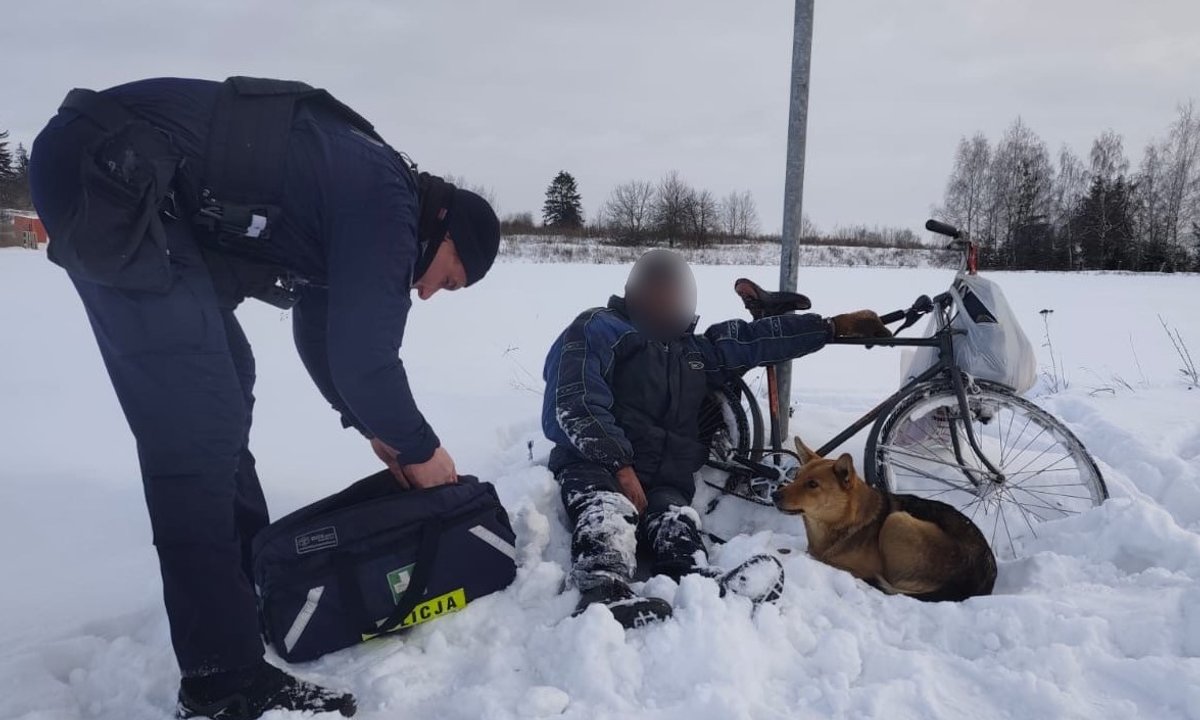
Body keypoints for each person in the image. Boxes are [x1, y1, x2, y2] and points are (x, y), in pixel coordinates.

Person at [28, 77, 500, 719]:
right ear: (446, 230)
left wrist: (372, 427)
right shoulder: (388, 200)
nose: (426, 293)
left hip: (119, 171)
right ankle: (221, 683)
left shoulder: (373, 199)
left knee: (227, 375)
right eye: (447, 277)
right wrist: (423, 450)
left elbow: (322, 330)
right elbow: (365, 360)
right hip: (115, 169)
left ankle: (245, 578)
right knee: (196, 421)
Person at [541, 249, 890, 628]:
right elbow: (572, 400)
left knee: (678, 528)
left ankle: (700, 591)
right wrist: (619, 465)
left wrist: (831, 327)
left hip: (664, 484)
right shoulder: (600, 329)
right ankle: (602, 594)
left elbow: (754, 339)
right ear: (635, 293)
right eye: (656, 292)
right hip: (597, 468)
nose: (665, 301)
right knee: (606, 516)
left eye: (672, 294)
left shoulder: (692, 351)